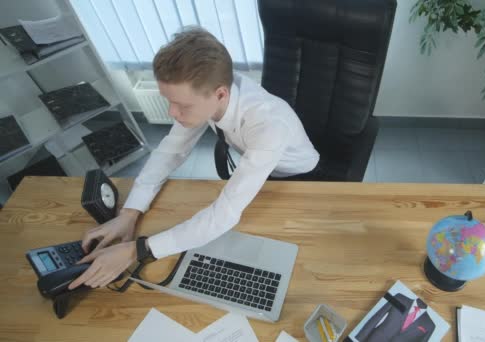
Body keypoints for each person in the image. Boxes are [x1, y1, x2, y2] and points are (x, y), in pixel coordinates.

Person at [68, 27, 320, 290]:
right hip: (262, 169)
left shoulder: (268, 124)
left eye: (182, 106)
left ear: (220, 94)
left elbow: (223, 216)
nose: (172, 113)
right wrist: (129, 214)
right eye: (169, 101)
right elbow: (169, 152)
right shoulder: (209, 91)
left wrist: (139, 250)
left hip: (302, 179)